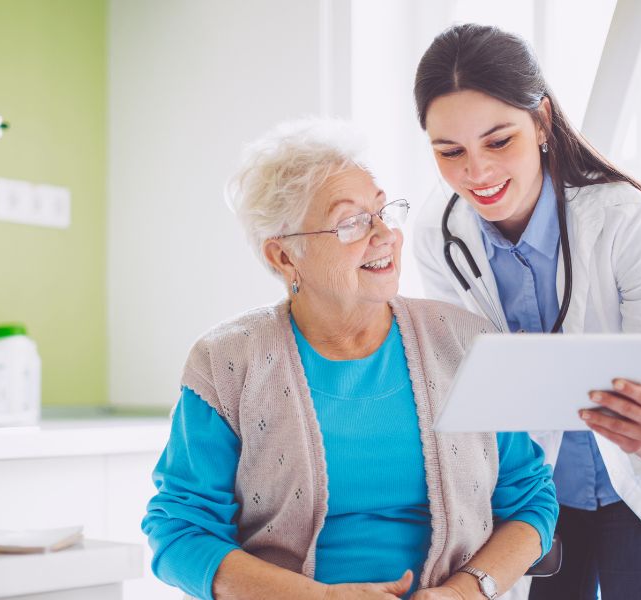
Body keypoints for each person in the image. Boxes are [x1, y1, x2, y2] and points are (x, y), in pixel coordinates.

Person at [142, 118, 558, 600]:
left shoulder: (465, 344)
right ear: (283, 257)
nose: (384, 235)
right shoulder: (228, 362)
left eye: (383, 212)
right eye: (351, 222)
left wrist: (465, 592)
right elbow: (180, 531)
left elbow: (531, 501)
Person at [411, 23, 641, 600]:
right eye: (450, 152)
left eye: (499, 142)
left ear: (541, 121)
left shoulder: (622, 218)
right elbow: (465, 383)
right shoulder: (438, 233)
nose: (478, 174)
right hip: (531, 497)